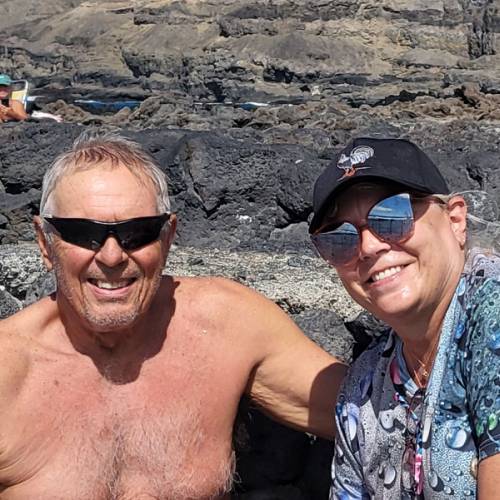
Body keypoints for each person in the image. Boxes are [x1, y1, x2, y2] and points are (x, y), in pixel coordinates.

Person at [0, 131, 347, 499]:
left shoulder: (226, 326)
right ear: (44, 243)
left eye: (138, 232)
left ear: (167, 238)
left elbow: (372, 414)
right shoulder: (9, 369)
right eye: (83, 234)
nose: (112, 257)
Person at [309, 137, 500, 499]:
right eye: (339, 239)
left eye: (392, 215)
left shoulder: (492, 313)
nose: (368, 247)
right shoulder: (362, 388)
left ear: (455, 220)